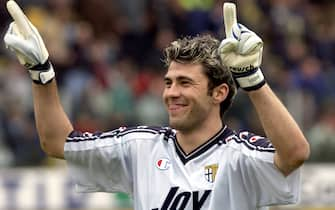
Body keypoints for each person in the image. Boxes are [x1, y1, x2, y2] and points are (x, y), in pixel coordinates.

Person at [3, 1, 310, 209]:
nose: (171, 92)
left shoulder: (240, 154)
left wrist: (251, 78)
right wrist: (41, 73)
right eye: (168, 82)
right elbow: (57, 142)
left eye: (185, 83)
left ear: (219, 93)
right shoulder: (140, 146)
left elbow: (295, 153)